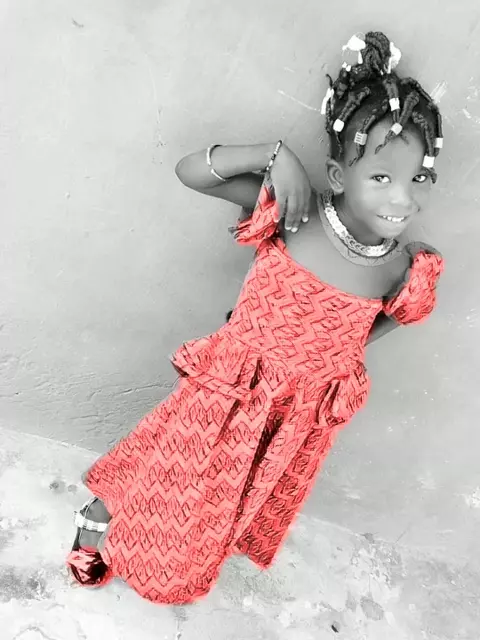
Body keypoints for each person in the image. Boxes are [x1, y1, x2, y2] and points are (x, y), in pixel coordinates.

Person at [66, 31, 445, 605]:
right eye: (381, 178)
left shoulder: (405, 268)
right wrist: (273, 155)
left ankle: (176, 559)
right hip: (226, 396)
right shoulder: (295, 214)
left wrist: (333, 357)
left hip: (288, 422)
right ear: (338, 176)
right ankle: (97, 518)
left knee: (217, 514)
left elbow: (381, 324)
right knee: (163, 476)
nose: (403, 200)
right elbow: (190, 172)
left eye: (417, 179)